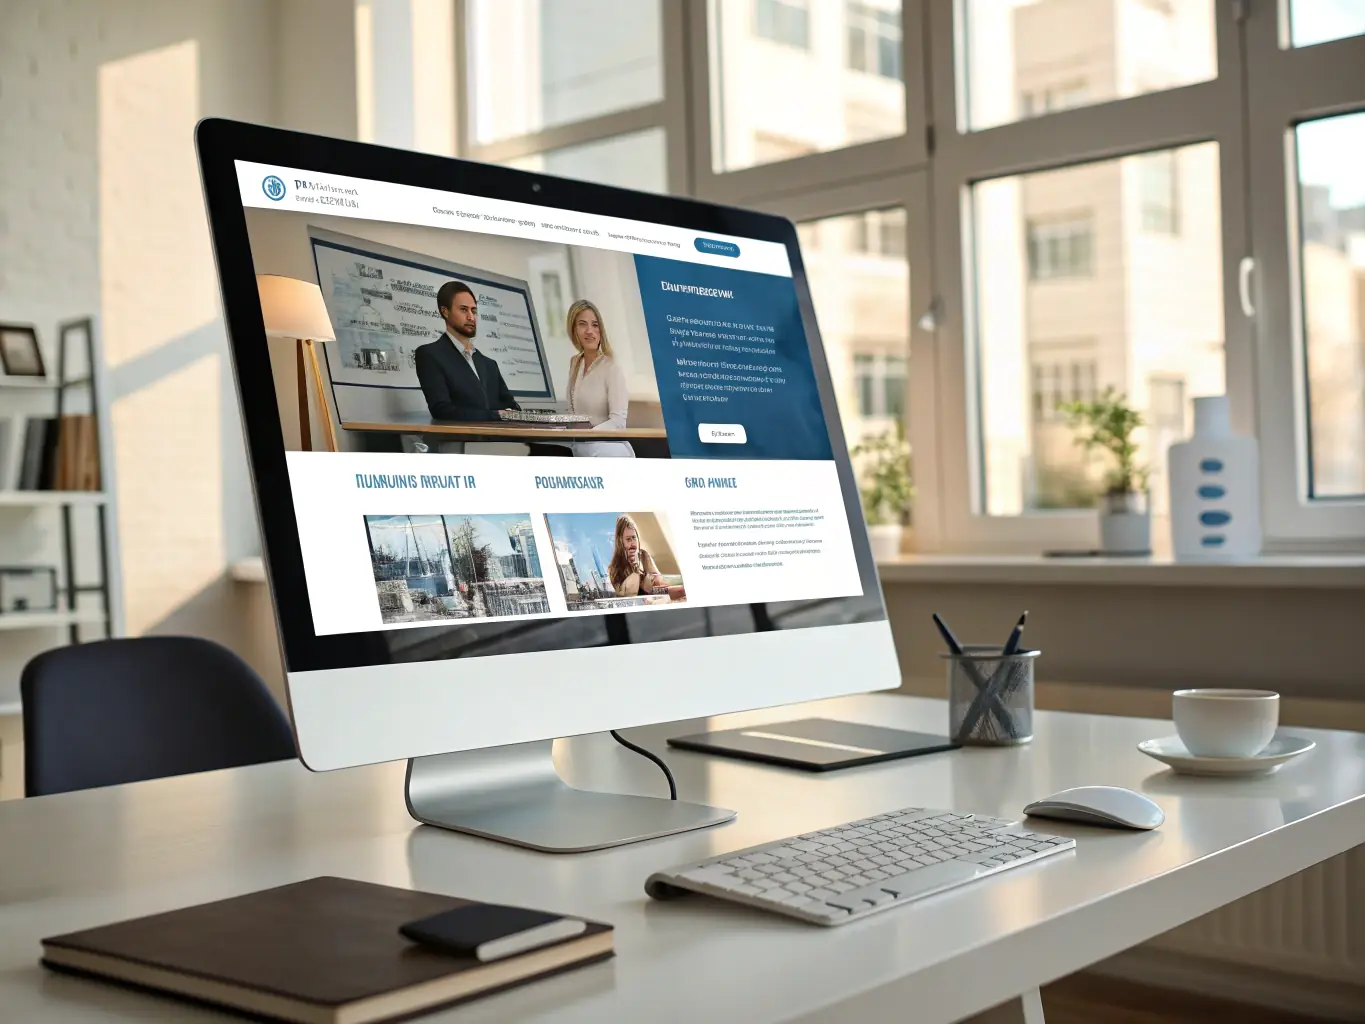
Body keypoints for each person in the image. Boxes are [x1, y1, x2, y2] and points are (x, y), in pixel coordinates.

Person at [413, 281, 520, 421]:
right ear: (445, 312)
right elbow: (442, 410)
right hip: (461, 435)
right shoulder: (430, 355)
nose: (471, 317)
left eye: (473, 311)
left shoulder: (489, 364)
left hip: (499, 434)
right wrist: (496, 415)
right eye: (463, 310)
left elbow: (512, 407)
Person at [564, 299, 634, 458]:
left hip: (608, 449)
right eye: (582, 324)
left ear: (601, 330)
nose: (590, 331)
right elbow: (573, 413)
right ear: (573, 330)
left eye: (595, 325)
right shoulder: (575, 363)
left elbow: (618, 421)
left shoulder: (611, 366)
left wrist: (588, 435)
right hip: (581, 446)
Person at [608, 514, 666, 597]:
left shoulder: (644, 555)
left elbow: (660, 583)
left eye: (634, 538)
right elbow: (625, 595)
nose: (633, 543)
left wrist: (642, 568)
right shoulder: (614, 568)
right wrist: (636, 571)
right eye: (628, 539)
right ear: (620, 542)